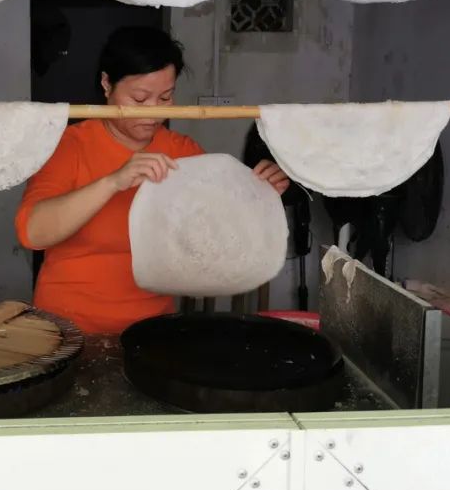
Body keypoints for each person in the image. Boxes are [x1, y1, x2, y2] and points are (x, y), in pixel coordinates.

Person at [15, 26, 290, 334]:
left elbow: (218, 231)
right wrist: (112, 182)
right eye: (140, 98)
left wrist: (260, 195)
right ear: (106, 84)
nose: (153, 113)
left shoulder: (182, 153)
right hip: (67, 328)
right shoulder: (71, 145)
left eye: (165, 97)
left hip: (151, 328)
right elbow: (32, 232)